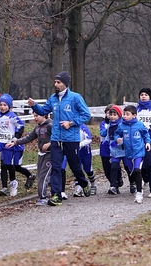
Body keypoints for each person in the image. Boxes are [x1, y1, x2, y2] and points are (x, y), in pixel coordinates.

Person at [27, 71, 92, 206]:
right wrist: (34, 105)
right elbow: (44, 111)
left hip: (71, 139)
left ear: (65, 84)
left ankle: (84, 183)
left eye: (58, 82)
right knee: (56, 167)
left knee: (75, 166)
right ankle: (56, 196)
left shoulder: (75, 98)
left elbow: (86, 115)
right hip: (56, 139)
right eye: (55, 82)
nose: (55, 84)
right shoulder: (53, 98)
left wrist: (71, 123)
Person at [6, 112, 53, 205]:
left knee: (43, 176)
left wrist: (50, 144)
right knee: (42, 175)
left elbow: (59, 137)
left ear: (44, 115)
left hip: (51, 155)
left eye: (37, 115)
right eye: (34, 116)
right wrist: (15, 142)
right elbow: (29, 137)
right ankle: (56, 191)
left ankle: (43, 197)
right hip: (41, 154)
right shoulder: (37, 127)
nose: (35, 118)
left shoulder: (50, 125)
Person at [113, 105, 151, 204]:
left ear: (134, 115)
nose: (124, 116)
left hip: (139, 152)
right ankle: (139, 183)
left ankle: (139, 193)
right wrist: (117, 139)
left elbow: (146, 135)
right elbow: (116, 134)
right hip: (128, 153)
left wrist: (147, 142)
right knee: (132, 171)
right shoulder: (121, 126)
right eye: (124, 114)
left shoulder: (139, 125)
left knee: (137, 170)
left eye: (127, 114)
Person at [0, 94, 25, 196]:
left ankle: (13, 184)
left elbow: (21, 126)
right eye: (1, 104)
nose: (2, 107)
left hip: (9, 144)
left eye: (5, 105)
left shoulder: (13, 116)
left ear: (9, 106)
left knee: (7, 165)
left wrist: (16, 138)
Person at [106, 105, 127, 195]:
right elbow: (108, 136)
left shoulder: (123, 125)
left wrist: (118, 142)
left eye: (114, 114)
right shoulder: (109, 126)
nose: (112, 117)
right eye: (111, 114)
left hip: (124, 150)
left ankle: (133, 183)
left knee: (128, 167)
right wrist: (107, 142)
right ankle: (114, 186)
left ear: (119, 115)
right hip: (115, 151)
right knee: (114, 167)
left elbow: (125, 137)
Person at [73, 124, 97, 196]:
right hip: (75, 152)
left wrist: (79, 144)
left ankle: (93, 185)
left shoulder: (83, 127)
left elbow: (89, 139)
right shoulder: (70, 126)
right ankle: (78, 188)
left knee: (88, 169)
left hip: (85, 152)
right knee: (77, 169)